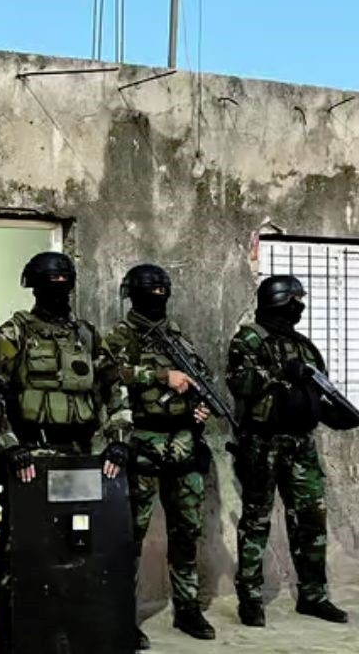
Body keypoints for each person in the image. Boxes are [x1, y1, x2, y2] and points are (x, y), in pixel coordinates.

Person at [0, 251, 133, 652]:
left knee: (78, 545)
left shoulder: (86, 335)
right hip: (30, 458)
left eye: (64, 282)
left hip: (80, 456)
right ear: (33, 287)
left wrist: (119, 440)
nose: (59, 290)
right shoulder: (14, 333)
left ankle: (72, 630)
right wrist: (10, 446)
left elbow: (114, 386)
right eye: (50, 283)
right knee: (19, 551)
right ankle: (8, 638)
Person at [225, 275, 352, 627]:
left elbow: (316, 394)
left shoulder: (304, 347)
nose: (301, 307)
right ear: (282, 301)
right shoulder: (249, 339)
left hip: (301, 445)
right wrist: (282, 371)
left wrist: (336, 416)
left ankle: (313, 596)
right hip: (261, 444)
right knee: (256, 520)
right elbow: (240, 383)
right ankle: (250, 599)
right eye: (296, 300)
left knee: (311, 519)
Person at [103, 264, 216, 648]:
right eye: (150, 291)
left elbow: (198, 381)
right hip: (141, 446)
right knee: (129, 535)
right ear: (132, 295)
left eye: (161, 291)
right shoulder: (121, 336)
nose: (157, 298)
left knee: (186, 531)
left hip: (183, 445)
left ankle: (187, 607)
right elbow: (109, 375)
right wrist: (161, 376)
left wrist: (199, 407)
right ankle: (123, 614)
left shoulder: (178, 338)